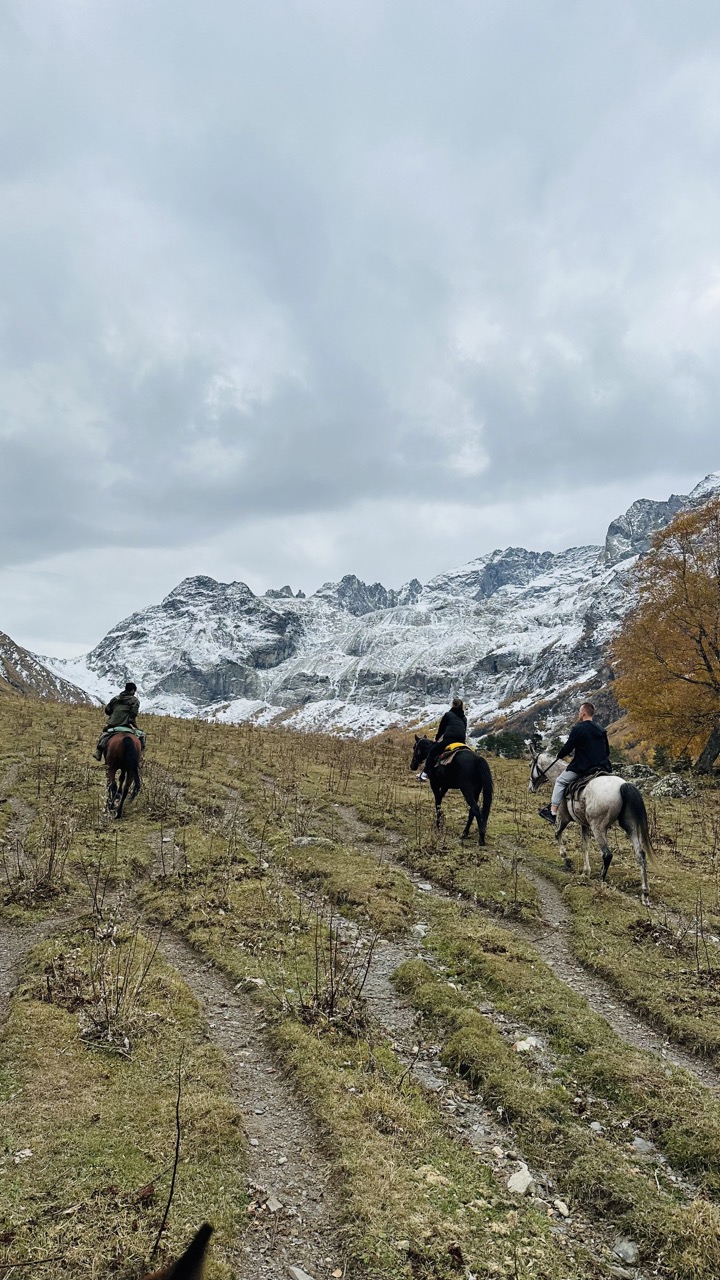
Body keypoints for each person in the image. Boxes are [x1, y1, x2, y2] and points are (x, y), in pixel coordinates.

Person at [538, 701, 611, 824]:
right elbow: (607, 751)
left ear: (583, 713)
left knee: (560, 781)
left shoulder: (578, 728)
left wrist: (559, 755)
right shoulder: (601, 730)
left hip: (584, 767)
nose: (578, 714)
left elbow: (568, 747)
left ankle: (552, 812)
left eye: (579, 712)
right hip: (603, 767)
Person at [418, 697, 468, 780]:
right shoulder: (464, 718)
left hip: (450, 740)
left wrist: (436, 738)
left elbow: (442, 729)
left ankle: (425, 773)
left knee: (432, 751)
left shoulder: (448, 714)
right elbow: (464, 730)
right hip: (461, 742)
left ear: (453, 705)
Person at [93, 681, 145, 760]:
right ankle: (140, 754)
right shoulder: (135, 700)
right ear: (133, 690)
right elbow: (133, 713)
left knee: (104, 735)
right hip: (127, 724)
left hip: (113, 724)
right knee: (142, 735)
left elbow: (107, 710)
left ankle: (98, 752)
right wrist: (131, 723)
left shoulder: (115, 699)